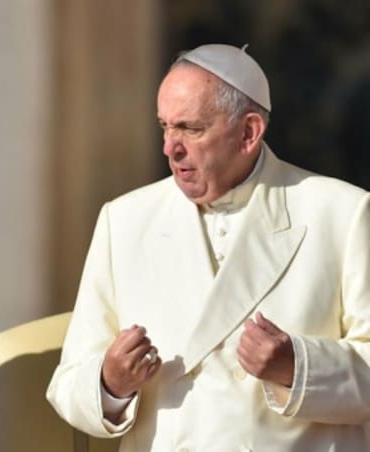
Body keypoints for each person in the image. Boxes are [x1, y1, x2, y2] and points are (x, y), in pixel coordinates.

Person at [46, 43, 370, 451]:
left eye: (190, 128)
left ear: (248, 132)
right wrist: (110, 382)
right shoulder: (124, 220)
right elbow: (68, 383)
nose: (170, 147)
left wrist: (299, 367)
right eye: (164, 126)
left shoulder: (343, 212)